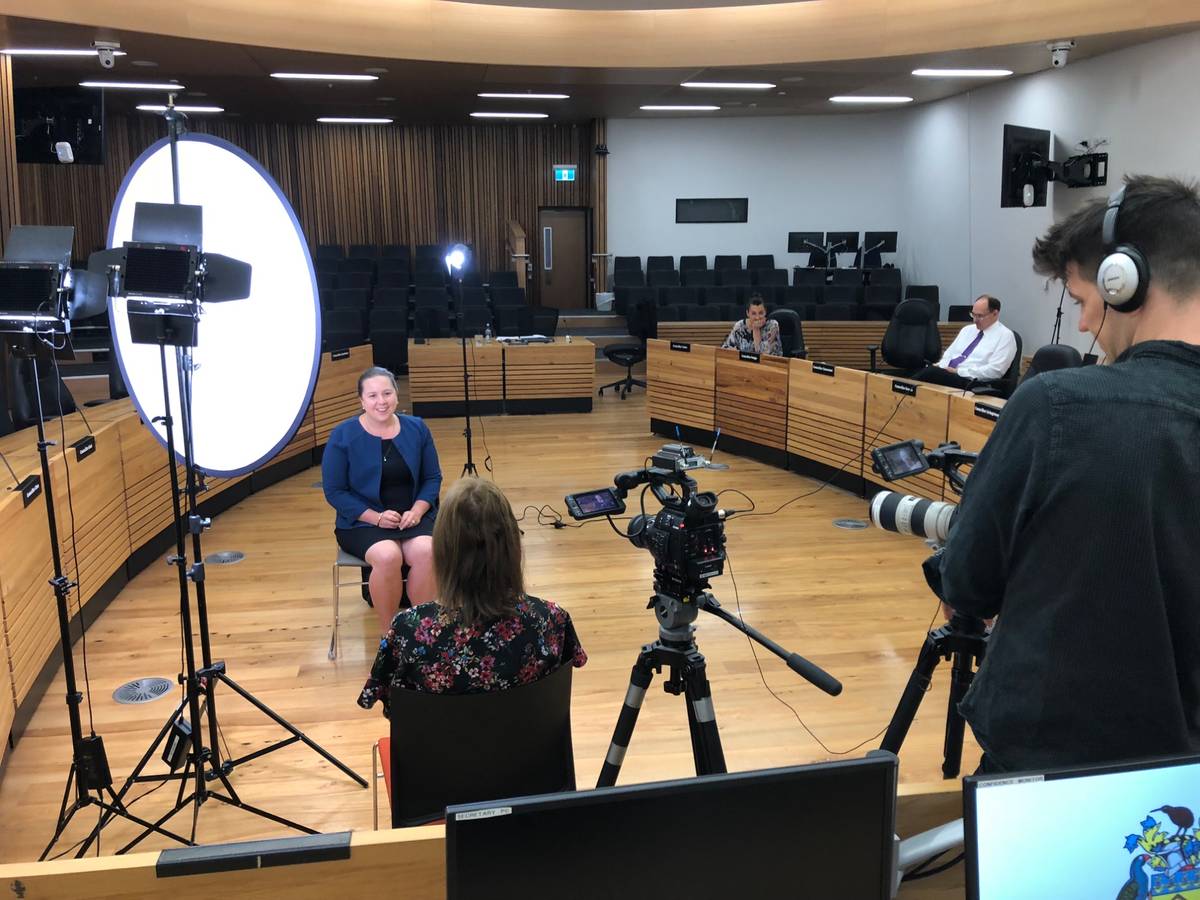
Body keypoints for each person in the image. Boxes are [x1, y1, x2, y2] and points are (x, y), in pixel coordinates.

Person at [937, 175, 1200, 774]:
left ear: (1124, 283)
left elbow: (968, 586)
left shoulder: (1055, 404)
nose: (1083, 326)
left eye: (1083, 301)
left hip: (1061, 767)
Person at [358, 477, 587, 714]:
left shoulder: (408, 629)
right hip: (530, 750)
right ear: (512, 544)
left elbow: (392, 709)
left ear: (443, 549)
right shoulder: (551, 619)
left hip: (435, 751)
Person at [323, 366, 441, 632]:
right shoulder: (342, 435)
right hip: (362, 522)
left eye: (387, 393)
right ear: (361, 401)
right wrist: (376, 517)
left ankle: (420, 632)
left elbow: (432, 478)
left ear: (397, 396)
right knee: (388, 556)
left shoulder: (417, 428)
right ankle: (391, 637)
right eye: (373, 395)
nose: (381, 401)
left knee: (428, 551)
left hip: (413, 516)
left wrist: (418, 511)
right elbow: (335, 491)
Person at [914, 295, 1017, 389]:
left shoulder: (1005, 336)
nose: (975, 320)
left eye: (980, 316)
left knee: (930, 374)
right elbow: (949, 354)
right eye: (973, 315)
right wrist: (941, 365)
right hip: (951, 374)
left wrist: (959, 372)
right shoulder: (967, 330)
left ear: (995, 313)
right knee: (924, 369)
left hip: (973, 382)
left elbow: (995, 371)